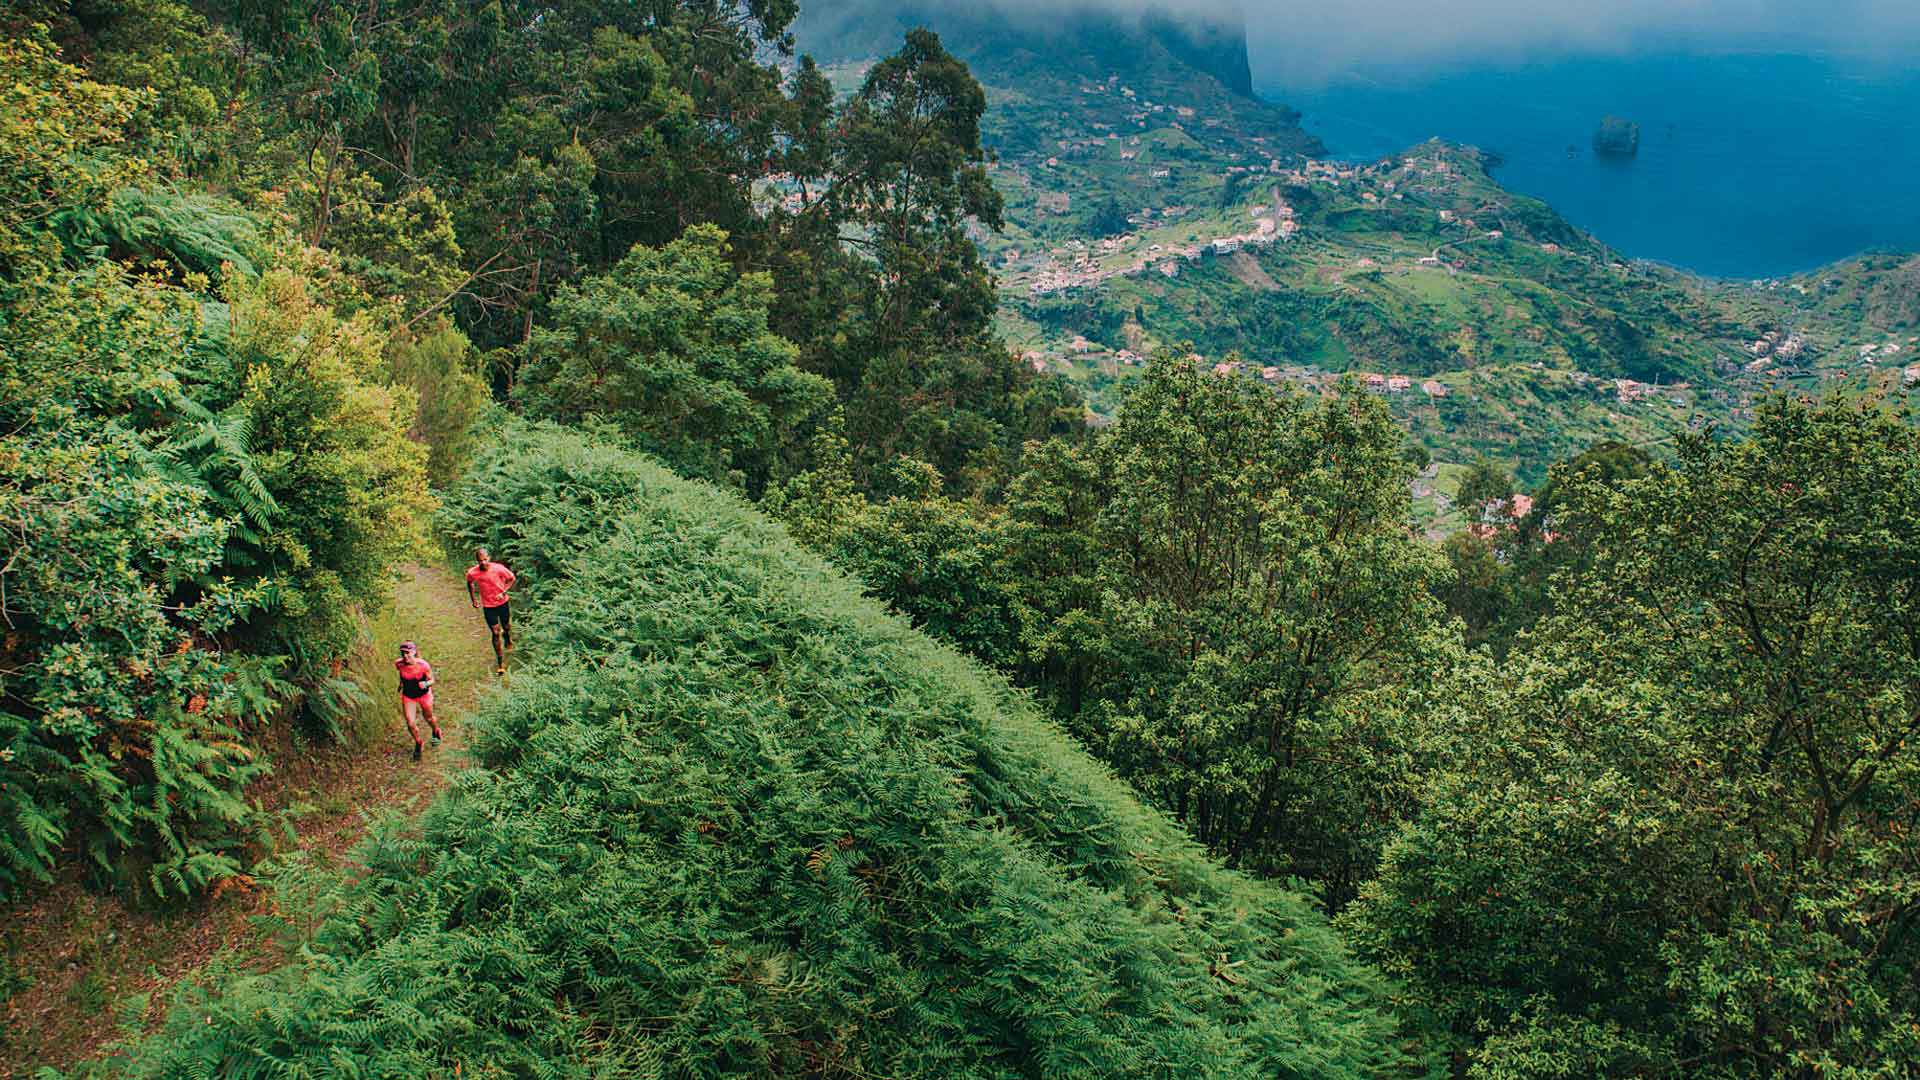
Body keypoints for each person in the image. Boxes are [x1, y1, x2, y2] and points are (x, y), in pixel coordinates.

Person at [465, 548, 517, 675]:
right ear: (477, 561)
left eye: (485, 559)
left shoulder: (498, 568)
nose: (483, 562)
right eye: (480, 560)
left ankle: (508, 638)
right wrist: (473, 599)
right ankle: (500, 663)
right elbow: (469, 583)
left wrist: (503, 592)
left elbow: (512, 579)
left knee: (506, 626)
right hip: (488, 606)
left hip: (503, 603)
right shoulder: (473, 572)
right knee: (495, 632)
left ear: (489, 557)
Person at [394, 640, 442, 762]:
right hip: (408, 696)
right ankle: (418, 743)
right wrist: (401, 684)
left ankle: (436, 731)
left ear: (414, 652)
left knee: (429, 718)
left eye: (408, 653)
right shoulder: (399, 664)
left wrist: (425, 683)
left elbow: (432, 680)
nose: (405, 656)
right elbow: (401, 673)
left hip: (424, 695)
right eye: (403, 653)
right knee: (410, 723)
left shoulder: (423, 665)